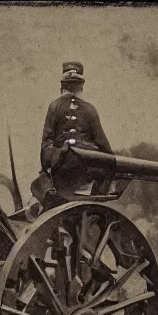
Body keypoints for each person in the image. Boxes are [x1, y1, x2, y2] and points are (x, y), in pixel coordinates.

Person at [31, 61, 113, 211]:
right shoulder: (90, 109)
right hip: (85, 173)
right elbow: (103, 144)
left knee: (42, 182)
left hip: (61, 172)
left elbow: (46, 143)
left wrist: (47, 167)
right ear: (80, 87)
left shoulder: (54, 106)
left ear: (62, 86)